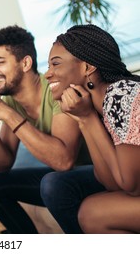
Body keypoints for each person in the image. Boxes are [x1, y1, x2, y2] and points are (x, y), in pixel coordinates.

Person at [0, 25, 91, 233]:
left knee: (52, 182)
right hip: (60, 178)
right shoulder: (11, 101)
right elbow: (3, 165)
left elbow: (64, 162)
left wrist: (9, 116)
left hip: (91, 172)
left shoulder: (57, 89)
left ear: (25, 63)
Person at [42, 24, 140, 233]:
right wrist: (84, 120)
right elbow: (111, 184)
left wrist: (88, 119)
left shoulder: (121, 96)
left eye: (55, 64)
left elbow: (131, 187)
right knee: (90, 211)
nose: (47, 74)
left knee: (92, 213)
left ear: (87, 68)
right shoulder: (99, 105)